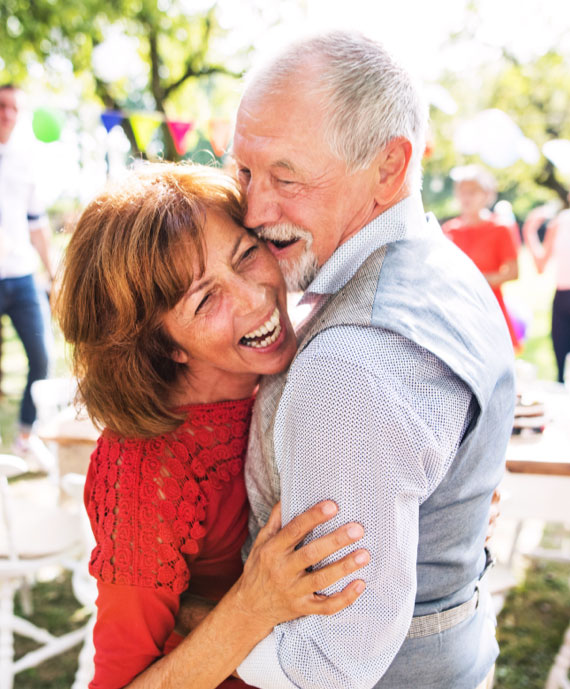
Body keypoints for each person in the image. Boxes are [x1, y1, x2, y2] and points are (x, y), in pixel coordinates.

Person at [222, 31, 514, 689]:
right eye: (243, 171)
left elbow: (331, 664)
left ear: (388, 167)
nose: (252, 209)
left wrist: (206, 626)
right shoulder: (446, 266)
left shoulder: (351, 365)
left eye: (285, 177)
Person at [55, 162, 369, 689]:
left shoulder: (289, 368)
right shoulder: (146, 470)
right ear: (164, 345)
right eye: (205, 300)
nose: (253, 297)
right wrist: (251, 608)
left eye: (247, 254)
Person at [0, 83, 54, 451]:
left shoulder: (24, 162)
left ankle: (25, 434)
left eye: (14, 108)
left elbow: (37, 223)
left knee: (42, 359)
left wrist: (54, 272)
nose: (7, 114)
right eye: (2, 106)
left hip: (21, 279)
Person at [442, 164, 521, 350]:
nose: (466, 197)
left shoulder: (500, 227)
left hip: (489, 309)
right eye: (462, 192)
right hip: (457, 310)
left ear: (487, 194)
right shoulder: (449, 230)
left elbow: (513, 272)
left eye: (472, 192)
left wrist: (479, 280)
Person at [523, 197, 570, 382]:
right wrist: (529, 231)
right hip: (562, 298)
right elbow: (541, 264)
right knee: (560, 368)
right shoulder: (560, 221)